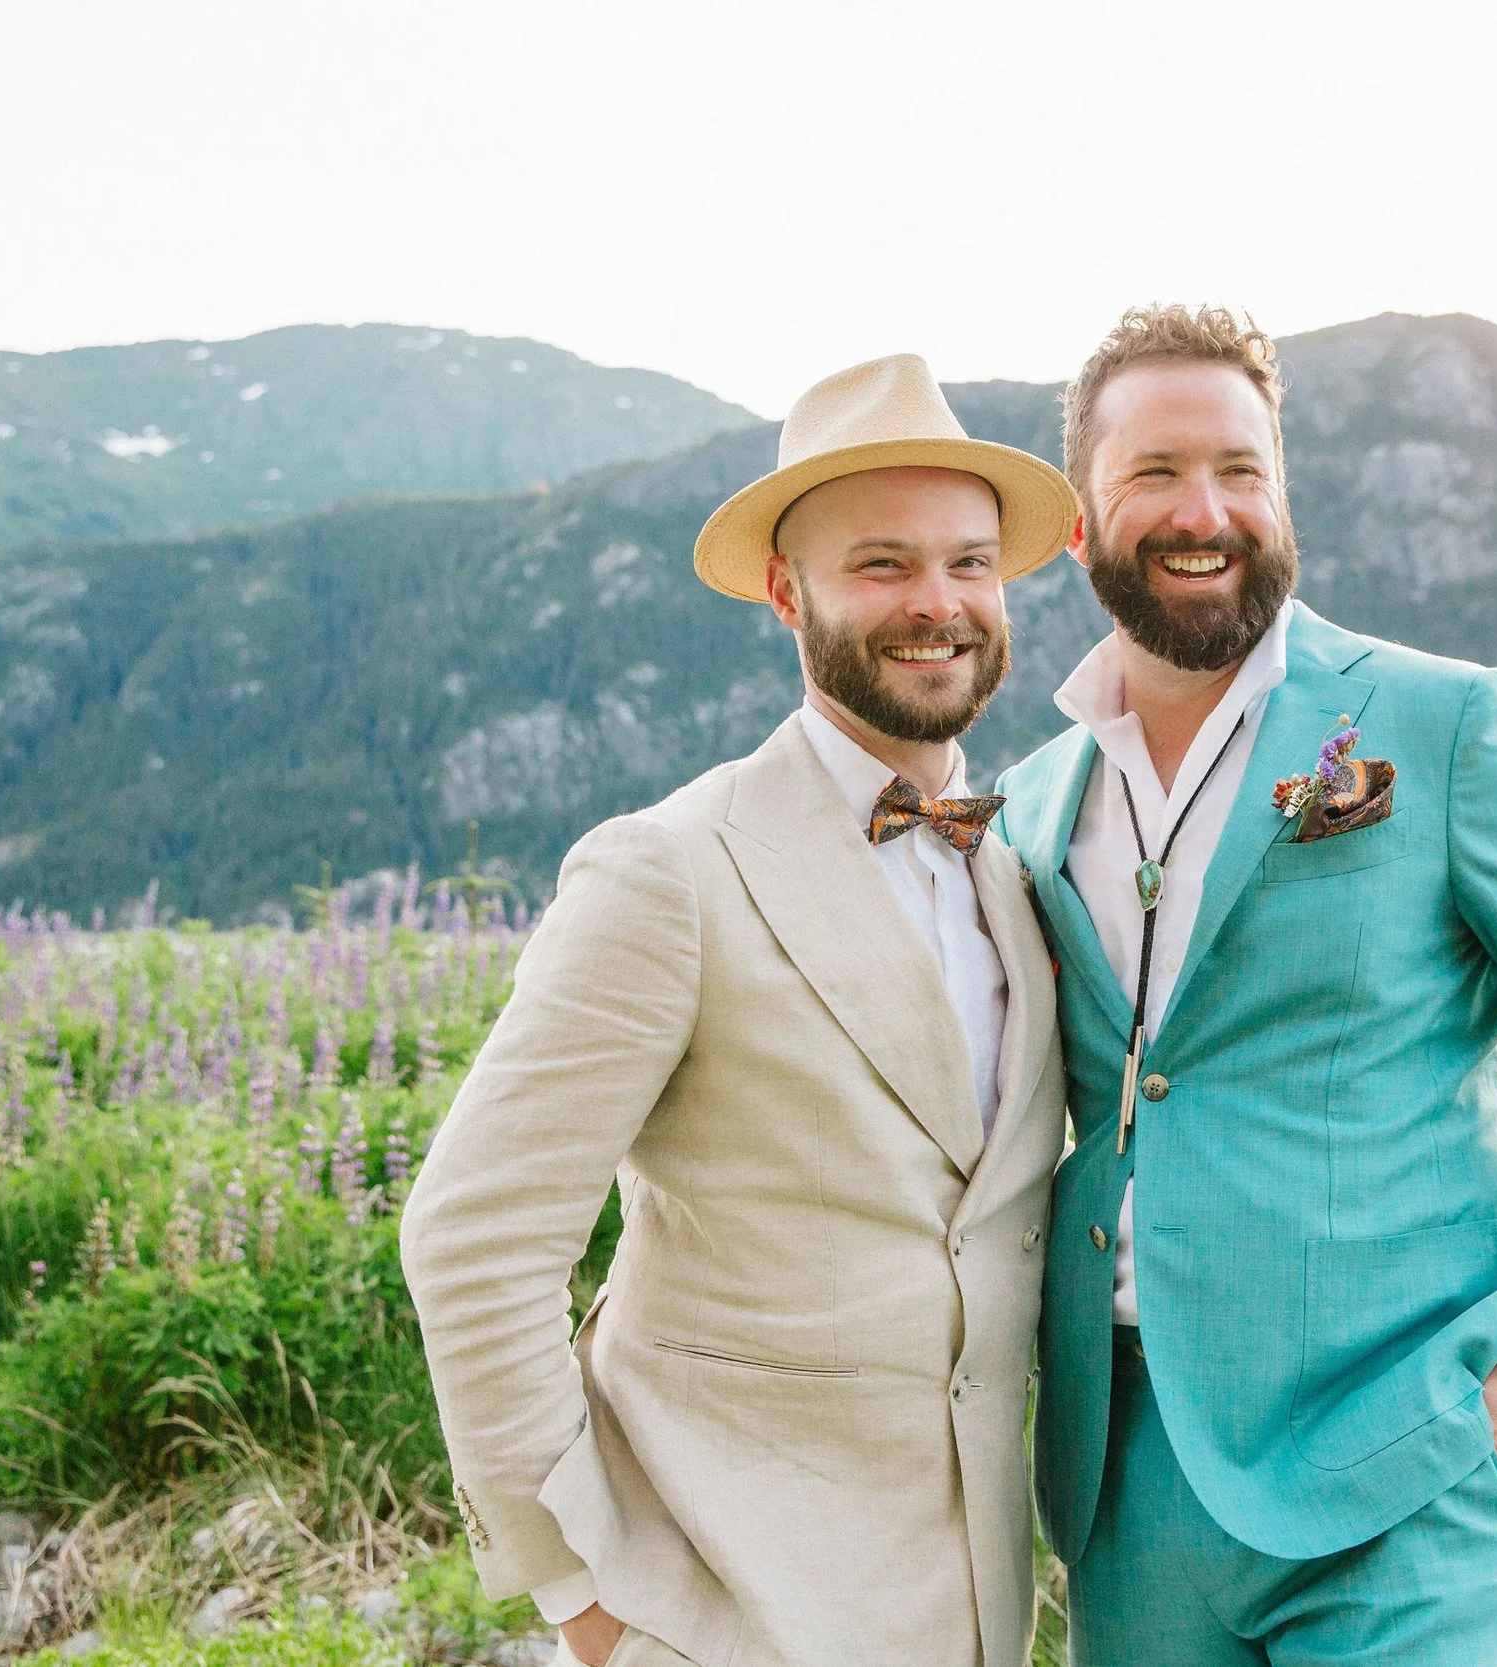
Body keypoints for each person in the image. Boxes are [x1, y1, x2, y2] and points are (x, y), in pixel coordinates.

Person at [994, 306, 1497, 1666]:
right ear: (1082, 526)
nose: (1202, 508)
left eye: (1240, 469)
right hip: (1130, 1493)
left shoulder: (1443, 725)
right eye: (1153, 473)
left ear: (1283, 497)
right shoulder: (1035, 803)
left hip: (1414, 1475)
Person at [399, 355, 1078, 1667]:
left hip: (980, 1612)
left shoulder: (1018, 871)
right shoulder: (670, 870)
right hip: (724, 1616)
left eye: (971, 564)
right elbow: (474, 1233)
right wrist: (587, 1597)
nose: (938, 602)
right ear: (787, 591)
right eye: (882, 564)